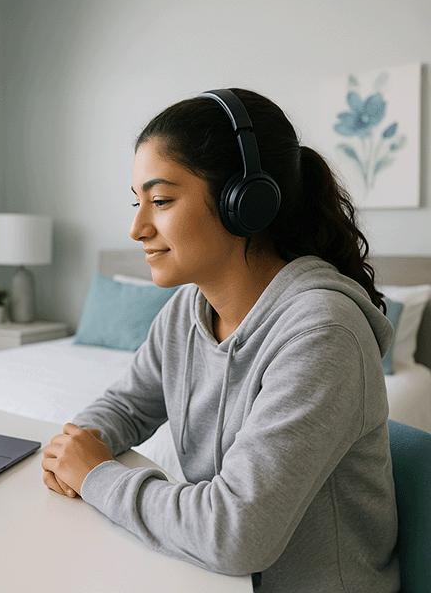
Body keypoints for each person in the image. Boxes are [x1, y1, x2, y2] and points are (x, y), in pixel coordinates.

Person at [42, 89, 399, 592]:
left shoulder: (323, 334)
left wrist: (96, 476)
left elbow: (235, 533)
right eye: (137, 201)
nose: (136, 228)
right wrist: (79, 446)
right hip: (207, 577)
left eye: (161, 200)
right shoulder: (186, 313)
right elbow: (127, 406)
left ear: (245, 203)